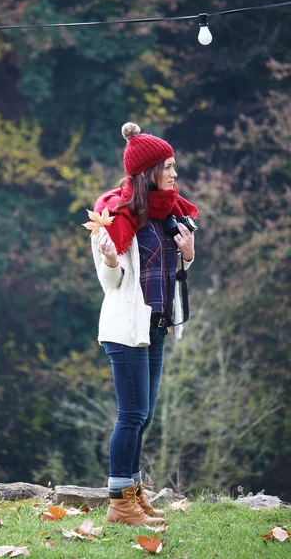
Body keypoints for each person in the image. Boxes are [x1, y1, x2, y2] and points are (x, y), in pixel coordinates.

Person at [90, 122, 198, 526]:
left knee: (145, 415)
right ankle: (120, 503)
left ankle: (134, 495)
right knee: (131, 414)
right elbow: (113, 284)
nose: (174, 173)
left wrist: (187, 254)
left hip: (156, 327)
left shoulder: (170, 213)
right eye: (168, 166)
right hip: (125, 329)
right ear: (149, 170)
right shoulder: (114, 215)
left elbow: (175, 269)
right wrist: (111, 262)